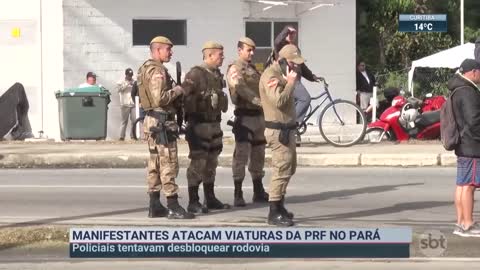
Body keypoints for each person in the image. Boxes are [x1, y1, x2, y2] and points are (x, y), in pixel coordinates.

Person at [136, 36, 194, 219]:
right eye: (168, 49)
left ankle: (154, 204)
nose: (171, 52)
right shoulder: (157, 71)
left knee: (155, 163)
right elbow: (159, 98)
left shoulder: (147, 68)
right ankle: (172, 204)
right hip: (161, 123)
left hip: (153, 121)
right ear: (157, 50)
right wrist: (180, 90)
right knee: (168, 162)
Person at [181, 41, 230, 214]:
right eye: (219, 55)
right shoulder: (195, 74)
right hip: (199, 125)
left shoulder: (216, 74)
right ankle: (193, 201)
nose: (222, 57)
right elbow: (183, 96)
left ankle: (210, 198)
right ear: (209, 55)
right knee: (198, 163)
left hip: (214, 124)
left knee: (212, 163)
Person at [259, 44, 303, 227]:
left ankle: (280, 205)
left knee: (289, 168)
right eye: (293, 63)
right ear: (283, 60)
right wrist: (290, 83)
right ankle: (274, 211)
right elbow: (278, 101)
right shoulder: (270, 75)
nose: (296, 67)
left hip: (287, 129)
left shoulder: (281, 75)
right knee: (281, 170)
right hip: (278, 131)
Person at [226, 37, 269, 207]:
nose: (251, 53)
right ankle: (238, 192)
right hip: (245, 118)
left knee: (259, 154)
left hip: (259, 117)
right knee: (241, 156)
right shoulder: (234, 68)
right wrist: (259, 102)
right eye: (248, 50)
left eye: (253, 50)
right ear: (239, 50)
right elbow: (240, 88)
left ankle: (258, 190)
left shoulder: (253, 69)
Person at [271, 26, 322, 142]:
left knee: (293, 106)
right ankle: (290, 125)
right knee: (305, 99)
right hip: (289, 80)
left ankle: (294, 131)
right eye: (289, 34)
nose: (292, 36)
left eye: (293, 34)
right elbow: (276, 41)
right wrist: (286, 30)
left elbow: (301, 66)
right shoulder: (281, 47)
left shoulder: (295, 48)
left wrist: (311, 76)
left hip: (296, 80)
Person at [448, 58, 480, 237]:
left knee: (461, 185)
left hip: (462, 145)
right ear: (474, 72)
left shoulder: (457, 89)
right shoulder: (468, 92)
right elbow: (474, 121)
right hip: (472, 145)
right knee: (469, 186)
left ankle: (460, 223)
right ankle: (468, 224)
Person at [117, 68, 136, 141]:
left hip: (133, 104)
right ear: (126, 75)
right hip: (124, 104)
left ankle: (133, 136)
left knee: (134, 121)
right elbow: (119, 90)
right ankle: (122, 136)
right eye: (129, 75)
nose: (130, 77)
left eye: (131, 75)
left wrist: (133, 84)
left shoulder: (134, 82)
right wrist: (127, 84)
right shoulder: (120, 81)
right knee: (124, 121)